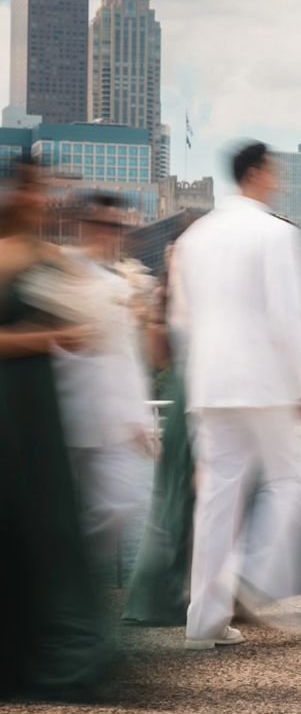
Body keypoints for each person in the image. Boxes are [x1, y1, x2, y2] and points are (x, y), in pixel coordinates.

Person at [169, 141, 301, 650]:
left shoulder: (195, 237)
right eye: (273, 169)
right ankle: (256, 572)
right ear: (256, 172)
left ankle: (204, 622)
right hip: (265, 380)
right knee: (289, 481)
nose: (278, 177)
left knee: (216, 499)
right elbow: (286, 314)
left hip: (210, 382)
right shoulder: (274, 233)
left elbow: (181, 318)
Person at [0, 159, 117, 699]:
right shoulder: (8, 255)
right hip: (12, 402)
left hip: (38, 404)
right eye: (37, 189)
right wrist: (55, 334)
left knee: (47, 520)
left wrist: (74, 329)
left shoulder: (44, 255)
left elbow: (74, 331)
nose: (45, 198)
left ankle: (52, 648)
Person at [53, 193, 156, 562]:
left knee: (121, 506)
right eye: (106, 225)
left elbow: (128, 356)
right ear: (85, 225)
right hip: (62, 414)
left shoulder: (120, 284)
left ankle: (66, 575)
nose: (113, 233)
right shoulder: (59, 268)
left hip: (112, 422)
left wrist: (140, 419)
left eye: (119, 227)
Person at [125, 235, 203, 626]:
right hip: (191, 401)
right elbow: (158, 358)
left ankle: (183, 592)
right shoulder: (178, 301)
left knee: (181, 500)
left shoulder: (170, 300)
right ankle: (164, 596)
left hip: (186, 400)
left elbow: (159, 359)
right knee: (181, 500)